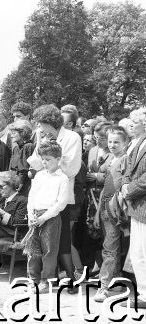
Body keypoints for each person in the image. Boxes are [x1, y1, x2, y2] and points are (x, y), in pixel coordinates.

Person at [27, 104, 81, 290]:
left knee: (61, 241)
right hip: (43, 195)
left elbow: (71, 168)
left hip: (61, 196)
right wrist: (40, 143)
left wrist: (51, 163)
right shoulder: (45, 137)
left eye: (42, 125)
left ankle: (70, 279)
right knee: (42, 245)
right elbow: (35, 164)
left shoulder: (72, 137)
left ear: (50, 123)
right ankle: (49, 278)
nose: (40, 129)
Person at [27, 142, 71, 294]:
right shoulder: (39, 175)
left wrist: (44, 217)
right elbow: (31, 196)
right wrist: (31, 214)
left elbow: (60, 203)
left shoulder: (63, 178)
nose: (45, 162)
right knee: (33, 250)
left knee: (49, 250)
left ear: (58, 159)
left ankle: (46, 280)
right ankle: (33, 279)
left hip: (51, 217)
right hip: (35, 215)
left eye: (48, 159)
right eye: (43, 159)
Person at [93, 126, 128, 302]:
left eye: (117, 142)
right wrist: (98, 211)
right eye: (111, 141)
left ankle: (104, 285)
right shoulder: (110, 160)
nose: (112, 145)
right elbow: (103, 190)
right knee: (112, 246)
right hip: (105, 208)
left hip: (117, 209)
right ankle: (117, 280)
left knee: (110, 248)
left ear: (125, 143)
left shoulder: (125, 160)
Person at [120, 113, 146, 308]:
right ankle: (143, 294)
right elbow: (129, 169)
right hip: (136, 206)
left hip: (142, 205)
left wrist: (129, 190)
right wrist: (125, 185)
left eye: (135, 122)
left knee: (143, 253)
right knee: (137, 253)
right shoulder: (137, 143)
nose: (131, 124)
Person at [8, 119, 35, 196]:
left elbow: (24, 170)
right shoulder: (16, 148)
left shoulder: (28, 147)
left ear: (22, 133)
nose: (11, 135)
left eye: (14, 133)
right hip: (14, 184)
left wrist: (18, 188)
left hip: (24, 187)